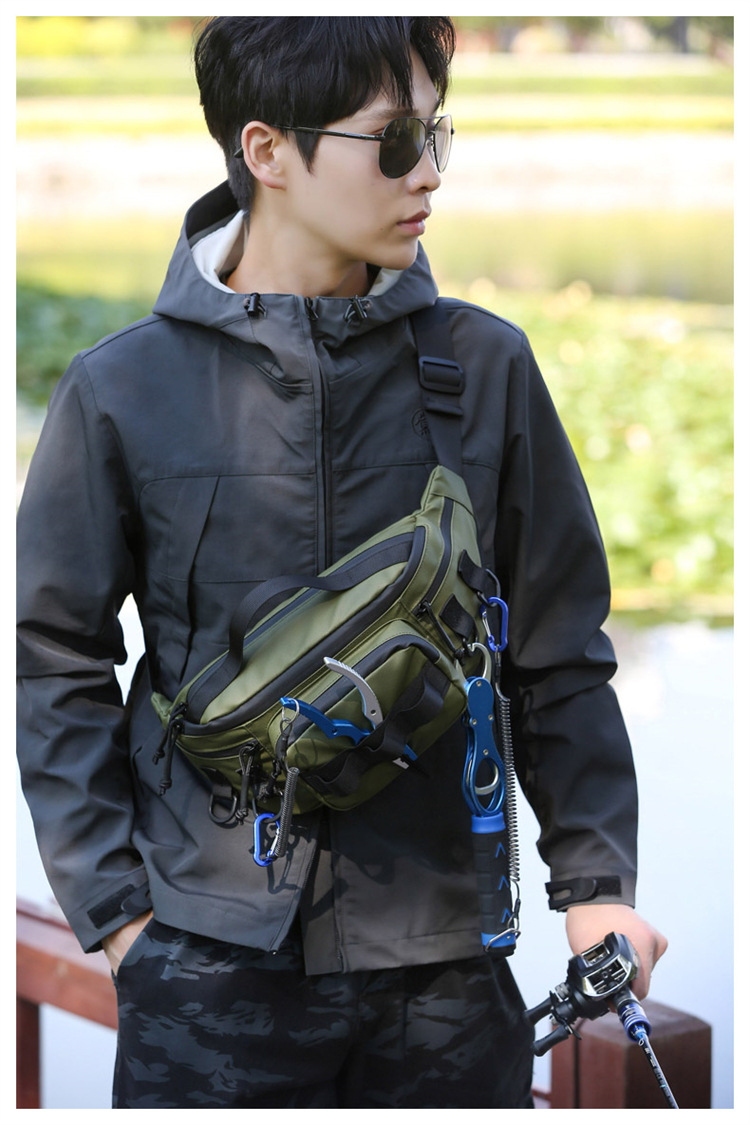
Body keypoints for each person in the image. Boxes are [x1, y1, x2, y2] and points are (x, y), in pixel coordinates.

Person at [16, 16, 667, 1109]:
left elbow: (558, 649)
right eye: (396, 139)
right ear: (268, 151)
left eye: (437, 135)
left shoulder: (486, 367)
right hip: (201, 966)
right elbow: (55, 658)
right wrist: (120, 917)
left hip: (448, 969)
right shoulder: (119, 389)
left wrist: (598, 883)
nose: (430, 174)